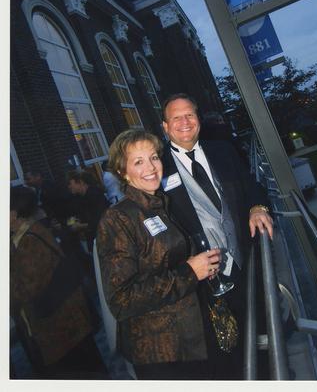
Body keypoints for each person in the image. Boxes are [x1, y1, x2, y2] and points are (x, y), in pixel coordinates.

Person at [161, 93, 274, 379]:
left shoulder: (223, 150)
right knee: (227, 352)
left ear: (198, 119)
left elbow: (252, 187)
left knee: (261, 333)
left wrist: (258, 207)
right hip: (202, 281)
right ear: (165, 126)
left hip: (242, 263)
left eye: (190, 115)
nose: (185, 122)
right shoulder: (157, 168)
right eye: (177, 117)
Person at [96, 129, 221, 380]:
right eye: (138, 162)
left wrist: (202, 267)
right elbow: (121, 300)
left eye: (153, 157)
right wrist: (189, 272)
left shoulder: (160, 203)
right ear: (122, 172)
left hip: (190, 337)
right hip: (162, 353)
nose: (151, 167)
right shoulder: (118, 218)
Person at [10, 186, 107, 379]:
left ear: (13, 213)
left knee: (82, 374)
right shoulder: (30, 232)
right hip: (67, 323)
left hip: (60, 328)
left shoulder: (28, 242)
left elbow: (27, 289)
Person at [66, 169, 108, 253]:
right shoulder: (80, 198)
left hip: (105, 240)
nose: (69, 187)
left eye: (70, 183)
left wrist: (80, 226)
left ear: (80, 182)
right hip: (96, 241)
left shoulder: (95, 195)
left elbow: (100, 221)